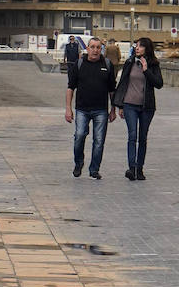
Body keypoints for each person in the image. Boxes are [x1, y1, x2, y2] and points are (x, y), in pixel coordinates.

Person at [65, 36, 116, 180]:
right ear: (87, 48)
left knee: (99, 141)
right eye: (92, 47)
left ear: (101, 49)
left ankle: (94, 169)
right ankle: (78, 162)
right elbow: (70, 88)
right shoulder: (79, 63)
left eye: (98, 47)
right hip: (82, 109)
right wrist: (68, 109)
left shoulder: (107, 64)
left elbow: (112, 89)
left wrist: (113, 109)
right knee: (79, 135)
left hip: (101, 110)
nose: (95, 50)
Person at [113, 35, 163, 181]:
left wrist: (146, 70)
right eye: (136, 45)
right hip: (129, 105)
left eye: (140, 46)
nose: (137, 48)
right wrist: (120, 105)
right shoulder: (130, 62)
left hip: (147, 107)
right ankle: (132, 168)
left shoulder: (153, 64)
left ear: (147, 48)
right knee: (132, 136)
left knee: (142, 138)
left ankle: (139, 168)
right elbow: (123, 83)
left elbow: (159, 84)